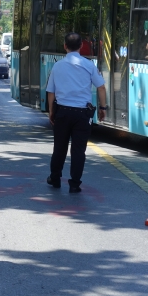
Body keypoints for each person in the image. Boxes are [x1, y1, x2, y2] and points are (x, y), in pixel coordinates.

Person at [46, 32, 107, 193]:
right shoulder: (89, 65)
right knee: (79, 150)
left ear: (65, 46)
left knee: (59, 147)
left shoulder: (57, 66)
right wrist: (103, 108)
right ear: (81, 46)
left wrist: (51, 111)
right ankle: (74, 183)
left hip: (62, 112)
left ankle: (55, 177)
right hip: (82, 114)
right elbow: (101, 87)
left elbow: (51, 91)